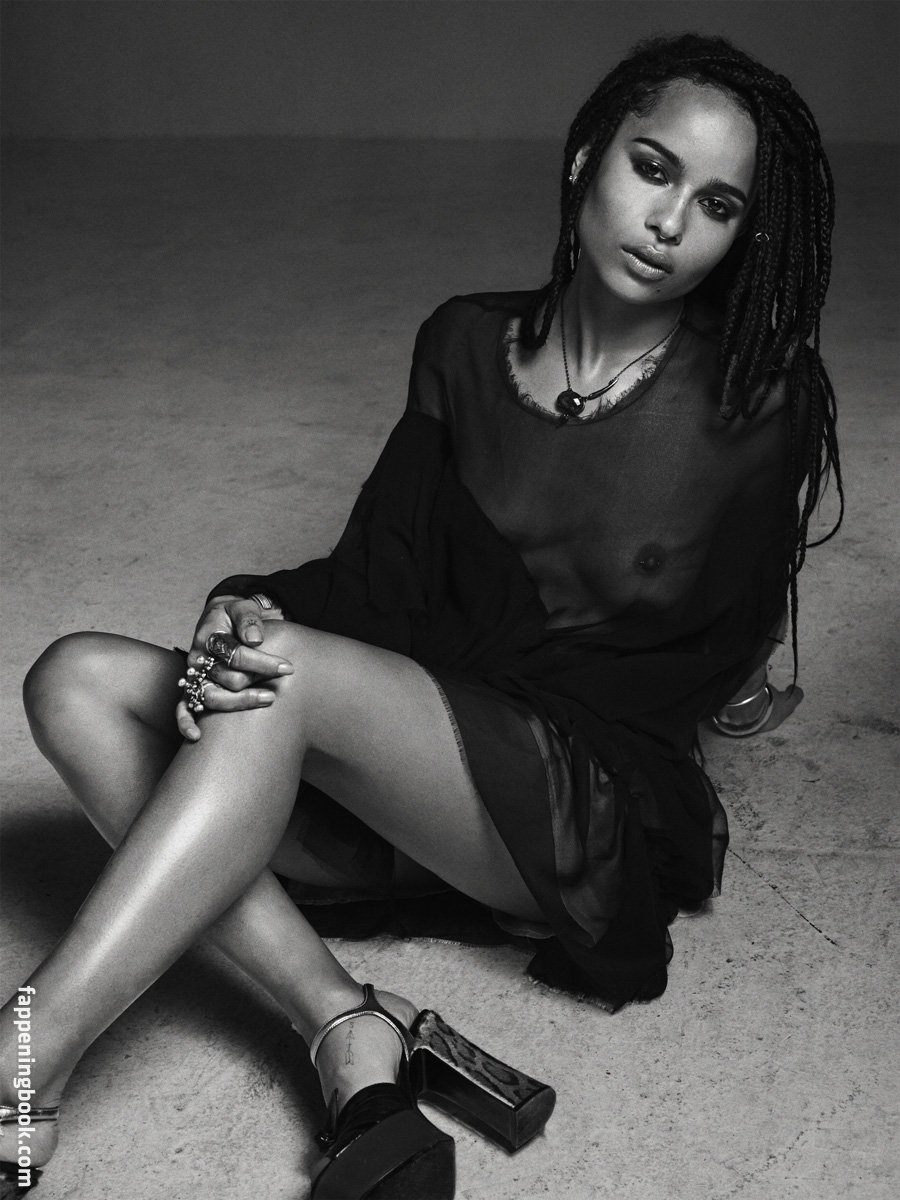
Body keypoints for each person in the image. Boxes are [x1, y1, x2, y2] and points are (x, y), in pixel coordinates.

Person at [0, 32, 842, 1200]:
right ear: (586, 159)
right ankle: (345, 1025)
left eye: (717, 204)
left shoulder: (758, 402)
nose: (668, 223)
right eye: (652, 169)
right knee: (75, 679)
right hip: (407, 761)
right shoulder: (461, 342)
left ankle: (25, 1057)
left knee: (287, 675)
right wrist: (245, 612)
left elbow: (709, 652)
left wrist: (348, 681)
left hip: (570, 806)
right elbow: (379, 581)